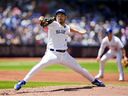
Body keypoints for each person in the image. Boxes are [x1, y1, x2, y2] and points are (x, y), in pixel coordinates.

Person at [14, 9, 105, 90]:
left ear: (65, 17)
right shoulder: (53, 24)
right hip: (52, 54)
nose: (60, 17)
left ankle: (94, 81)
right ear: (56, 17)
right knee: (39, 66)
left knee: (80, 69)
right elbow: (42, 21)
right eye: (58, 15)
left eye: (62, 15)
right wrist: (41, 19)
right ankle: (23, 81)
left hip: (64, 55)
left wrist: (78, 31)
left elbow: (70, 29)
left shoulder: (66, 27)